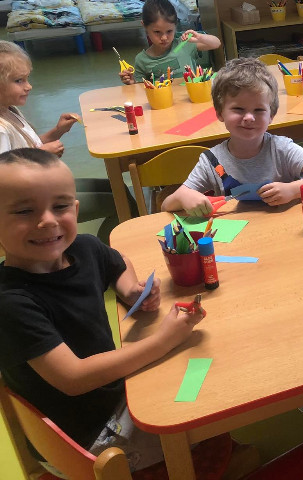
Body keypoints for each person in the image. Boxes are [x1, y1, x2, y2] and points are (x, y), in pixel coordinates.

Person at [0, 148, 205, 474]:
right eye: (25, 211)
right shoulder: (10, 303)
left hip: (113, 392)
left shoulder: (83, 247)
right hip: (86, 438)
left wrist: (131, 289)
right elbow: (74, 378)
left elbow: (119, 262)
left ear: (75, 209)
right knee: (201, 411)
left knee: (198, 374)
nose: (48, 220)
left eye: (60, 206)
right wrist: (163, 340)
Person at [162, 58, 303, 217]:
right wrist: (184, 196)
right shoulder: (211, 161)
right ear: (220, 113)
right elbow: (166, 206)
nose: (248, 117)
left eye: (259, 110)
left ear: (271, 116)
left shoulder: (280, 148)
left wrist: (292, 190)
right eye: (238, 109)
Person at [0, 40, 131, 244]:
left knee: (118, 188)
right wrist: (42, 156)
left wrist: (57, 131)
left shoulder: (9, 110)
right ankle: (102, 254)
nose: (28, 86)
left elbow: (29, 146)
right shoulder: (1, 129)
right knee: (121, 202)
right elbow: (5, 178)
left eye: (27, 78)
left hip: (42, 189)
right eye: (19, 81)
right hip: (28, 206)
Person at [119, 0, 221, 85]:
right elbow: (141, 89)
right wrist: (132, 82)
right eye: (157, 32)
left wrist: (200, 37)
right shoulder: (142, 60)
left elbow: (216, 43)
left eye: (169, 31)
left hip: (192, 98)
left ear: (175, 25)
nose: (164, 37)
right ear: (144, 26)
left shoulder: (183, 44)